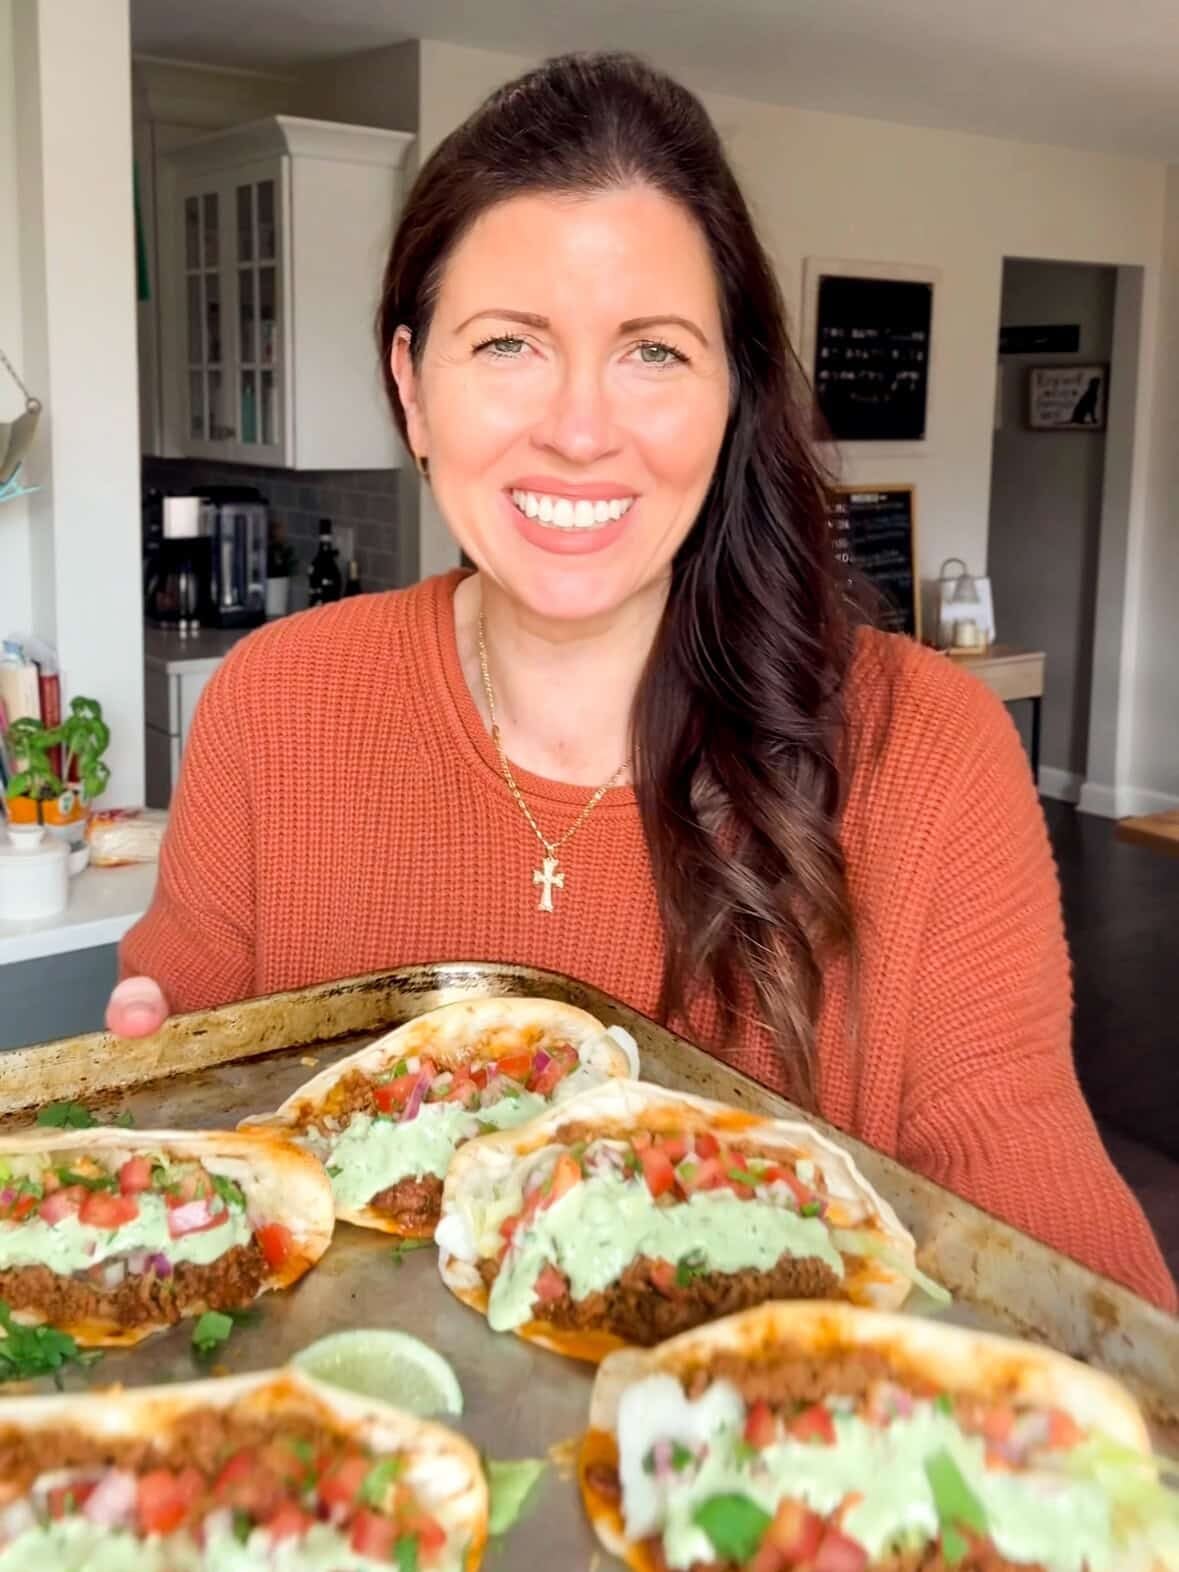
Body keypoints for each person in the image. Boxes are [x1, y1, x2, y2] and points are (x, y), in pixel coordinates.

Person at [111, 53, 1174, 1310]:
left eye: (654, 353)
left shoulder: (928, 748)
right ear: (412, 386)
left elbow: (1039, 1221)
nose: (578, 426)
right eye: (508, 341)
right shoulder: (272, 703)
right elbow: (195, 1100)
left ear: (733, 393)